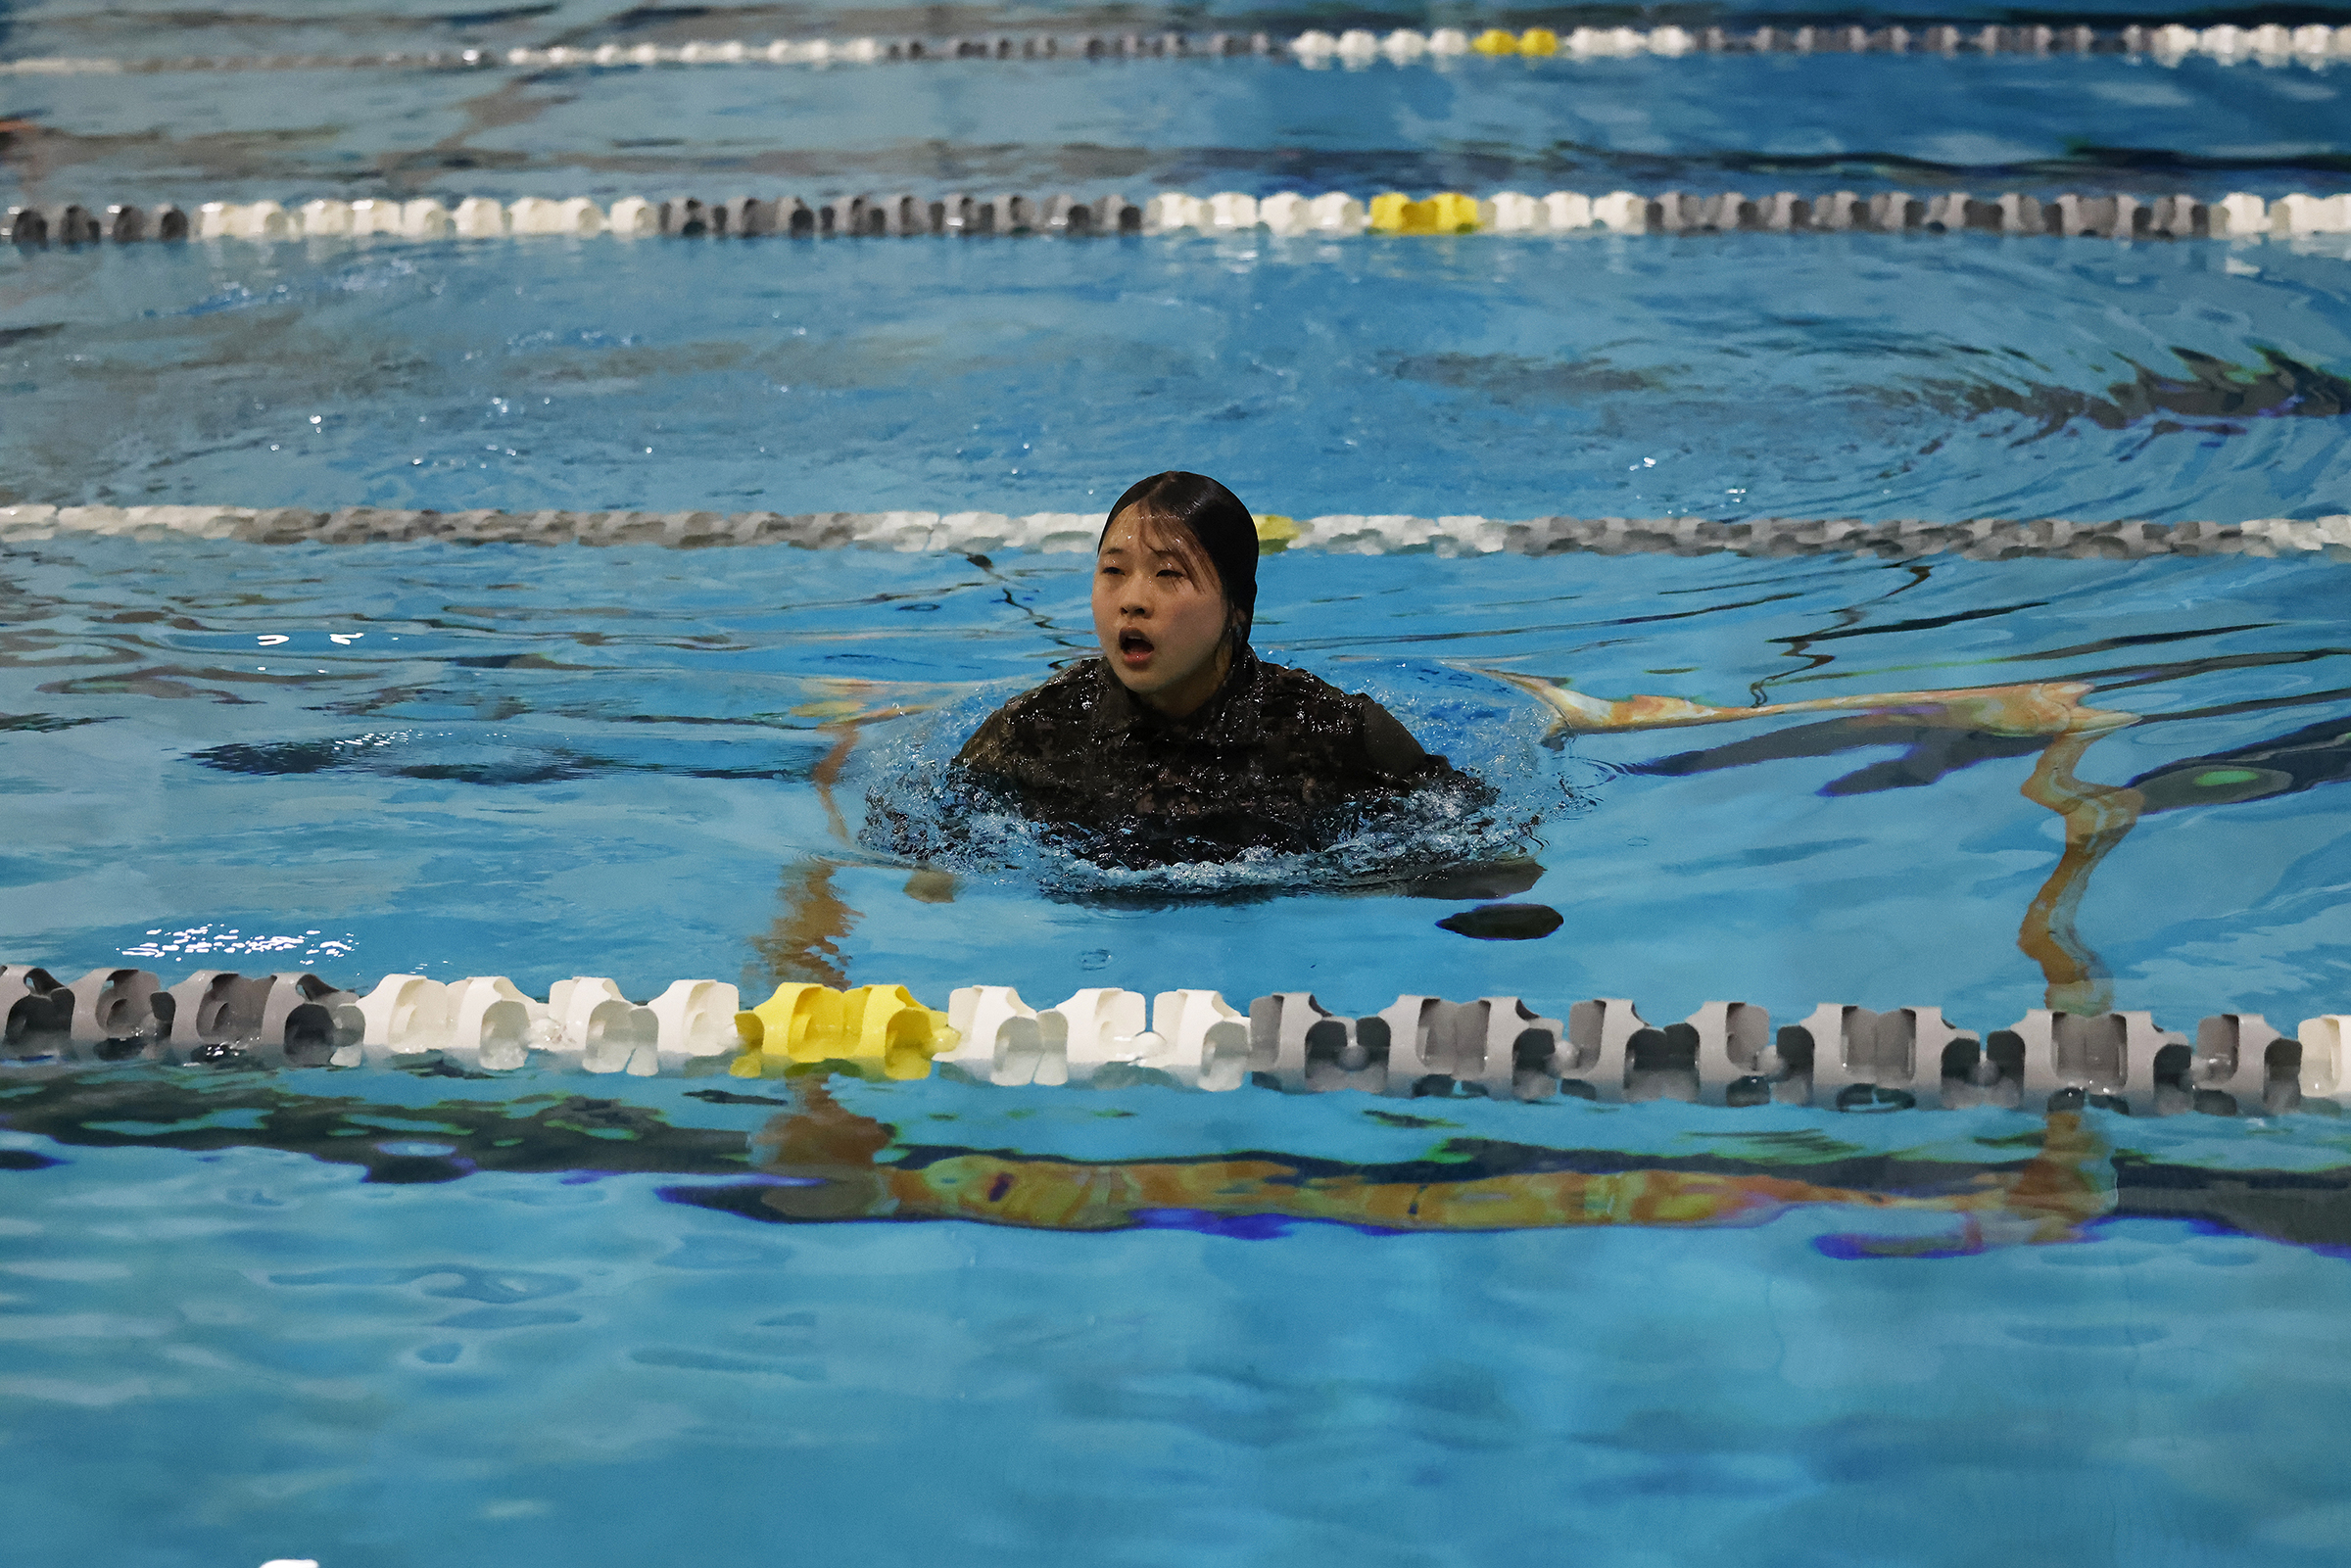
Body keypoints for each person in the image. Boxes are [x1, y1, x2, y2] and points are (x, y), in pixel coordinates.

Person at [952, 470, 1475, 863]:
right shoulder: (1042, 726)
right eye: (1113, 571)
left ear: (1236, 608)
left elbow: (1470, 843)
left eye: (1168, 574)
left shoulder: (1325, 733)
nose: (1131, 600)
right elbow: (937, 842)